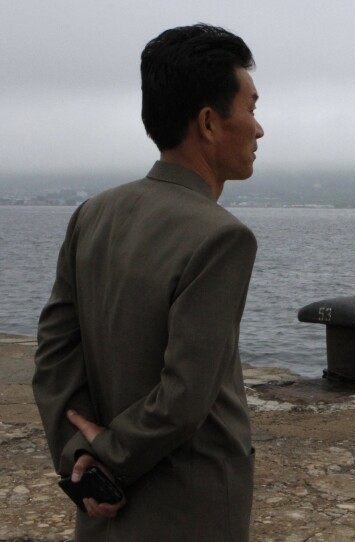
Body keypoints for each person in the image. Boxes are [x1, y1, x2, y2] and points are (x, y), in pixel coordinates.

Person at [32, 24, 264, 541]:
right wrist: (110, 455)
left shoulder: (93, 214)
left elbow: (54, 356)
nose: (259, 128)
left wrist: (82, 459)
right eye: (250, 108)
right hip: (191, 509)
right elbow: (184, 396)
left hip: (102, 510)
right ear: (208, 122)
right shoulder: (223, 237)